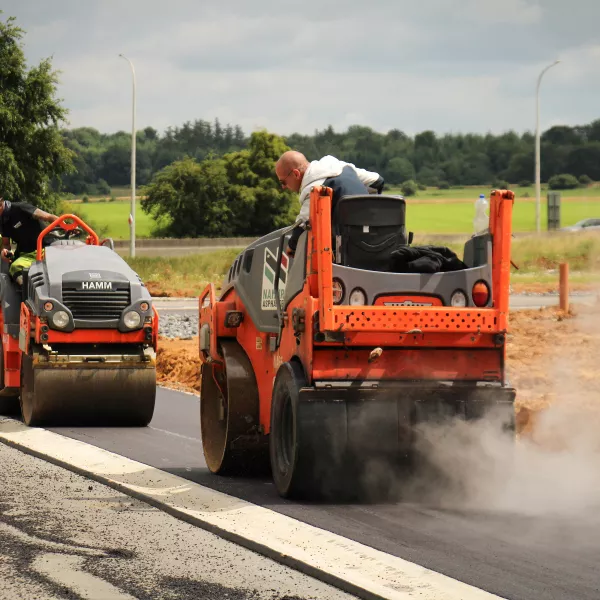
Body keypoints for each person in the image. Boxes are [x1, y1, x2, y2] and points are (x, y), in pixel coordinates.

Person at [274, 151, 385, 254]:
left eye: (283, 182)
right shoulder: (337, 165)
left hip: (347, 253)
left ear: (296, 174)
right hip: (378, 240)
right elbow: (377, 182)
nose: (283, 187)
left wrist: (291, 248)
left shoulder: (313, 189)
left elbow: (301, 227)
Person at [0, 197, 58, 286]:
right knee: (15, 267)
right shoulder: (3, 221)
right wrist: (4, 251)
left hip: (47, 249)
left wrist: (67, 225)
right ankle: (29, 292)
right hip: (26, 255)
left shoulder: (20, 208)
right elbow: (6, 244)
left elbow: (48, 217)